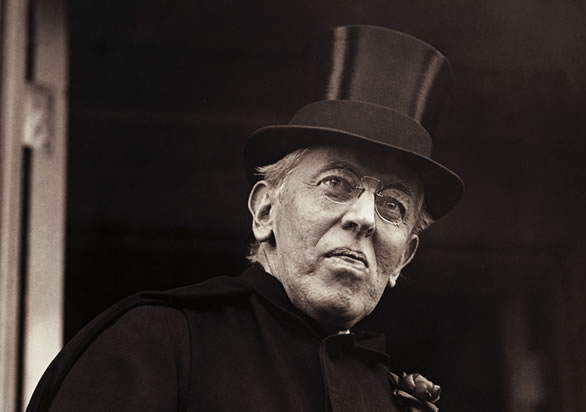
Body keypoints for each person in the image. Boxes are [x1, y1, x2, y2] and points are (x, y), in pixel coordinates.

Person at [27, 25, 463, 412]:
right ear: (266, 211)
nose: (364, 217)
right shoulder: (154, 344)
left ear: (403, 258)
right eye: (337, 183)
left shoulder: (387, 399)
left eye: (393, 205)